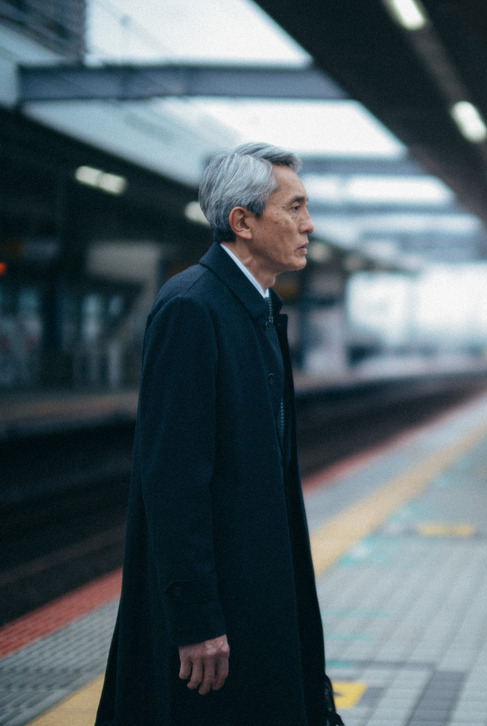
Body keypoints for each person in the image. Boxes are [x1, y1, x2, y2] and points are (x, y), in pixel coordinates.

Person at [95, 143, 343, 725]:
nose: (309, 224)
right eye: (295, 207)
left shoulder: (258, 309)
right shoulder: (192, 308)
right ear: (243, 222)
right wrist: (196, 618)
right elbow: (173, 481)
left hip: (255, 585)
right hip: (219, 613)